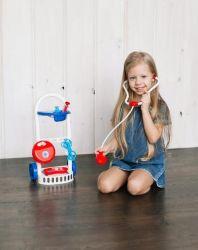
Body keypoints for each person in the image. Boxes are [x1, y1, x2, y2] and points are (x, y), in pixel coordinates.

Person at [96, 51, 171, 196]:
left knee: (134, 187)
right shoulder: (124, 106)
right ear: (126, 80)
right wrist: (108, 147)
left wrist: (144, 109)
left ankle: (140, 177)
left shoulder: (160, 106)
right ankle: (124, 175)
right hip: (125, 161)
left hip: (148, 163)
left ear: (153, 78)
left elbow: (153, 138)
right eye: (132, 78)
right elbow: (120, 137)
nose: (138, 82)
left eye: (143, 76)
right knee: (104, 186)